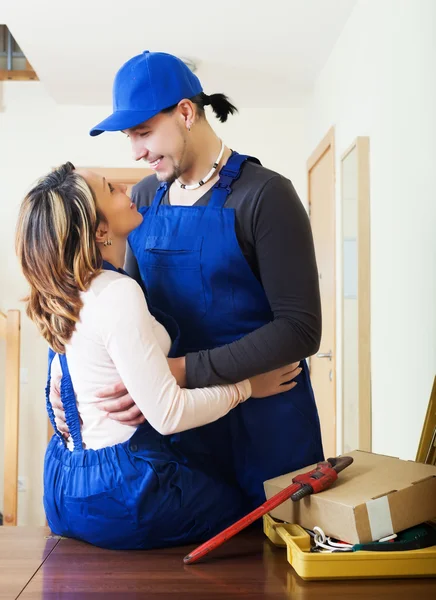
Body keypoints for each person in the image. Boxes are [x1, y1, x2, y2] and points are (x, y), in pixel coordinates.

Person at [16, 162, 299, 550]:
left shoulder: (63, 293)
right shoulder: (116, 292)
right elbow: (168, 415)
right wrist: (248, 387)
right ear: (100, 230)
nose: (129, 192)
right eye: (112, 189)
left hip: (65, 487)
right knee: (249, 514)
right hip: (124, 493)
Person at [85, 50, 325, 507]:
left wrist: (179, 371)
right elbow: (133, 307)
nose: (136, 151)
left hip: (266, 421)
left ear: (186, 112)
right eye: (129, 138)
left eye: (143, 133)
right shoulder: (143, 197)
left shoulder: (265, 195)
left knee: (272, 563)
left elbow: (300, 328)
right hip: (181, 424)